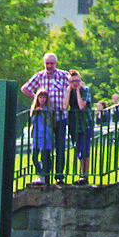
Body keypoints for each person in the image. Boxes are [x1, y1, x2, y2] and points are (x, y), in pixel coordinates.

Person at [21, 52, 70, 182]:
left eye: (51, 63)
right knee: (45, 148)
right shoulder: (39, 76)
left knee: (60, 147)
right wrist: (37, 99)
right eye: (47, 63)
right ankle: (45, 175)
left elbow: (76, 83)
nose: (49, 66)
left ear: (56, 64)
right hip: (45, 118)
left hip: (60, 116)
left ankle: (59, 176)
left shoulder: (64, 75)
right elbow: (25, 88)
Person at [65, 70, 94, 184]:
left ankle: (85, 175)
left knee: (84, 149)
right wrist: (68, 90)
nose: (75, 83)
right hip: (74, 123)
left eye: (77, 80)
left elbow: (82, 105)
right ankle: (82, 174)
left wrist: (77, 91)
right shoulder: (68, 91)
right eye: (72, 81)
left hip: (85, 122)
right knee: (78, 149)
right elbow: (65, 106)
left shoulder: (85, 90)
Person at [28, 89, 55, 183]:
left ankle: (45, 176)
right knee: (34, 156)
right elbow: (32, 120)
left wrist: (43, 112)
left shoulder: (49, 109)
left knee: (45, 157)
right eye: (40, 97)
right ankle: (40, 173)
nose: (42, 99)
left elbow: (50, 121)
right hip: (36, 135)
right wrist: (36, 112)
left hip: (46, 135)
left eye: (44, 97)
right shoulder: (35, 109)